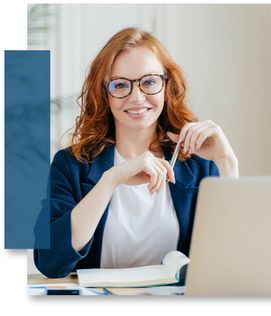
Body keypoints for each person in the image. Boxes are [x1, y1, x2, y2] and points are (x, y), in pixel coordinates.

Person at [34, 27, 238, 278]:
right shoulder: (71, 164)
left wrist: (226, 161)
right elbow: (49, 262)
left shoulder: (197, 164)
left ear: (166, 86)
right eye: (120, 85)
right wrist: (110, 180)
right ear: (104, 93)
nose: (137, 97)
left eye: (149, 81)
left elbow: (232, 259)